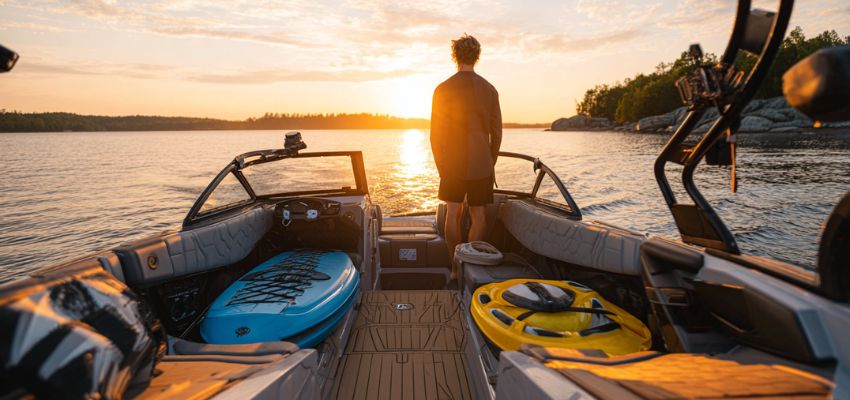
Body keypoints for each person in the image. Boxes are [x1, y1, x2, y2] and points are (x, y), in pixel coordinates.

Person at [430, 34, 502, 281]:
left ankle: (454, 268)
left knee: (453, 214)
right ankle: (471, 267)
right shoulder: (490, 89)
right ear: (477, 56)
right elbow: (497, 132)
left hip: (452, 162)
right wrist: (489, 161)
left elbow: (435, 135)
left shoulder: (442, 89)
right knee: (479, 214)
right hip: (482, 161)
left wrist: (442, 165)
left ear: (455, 56)